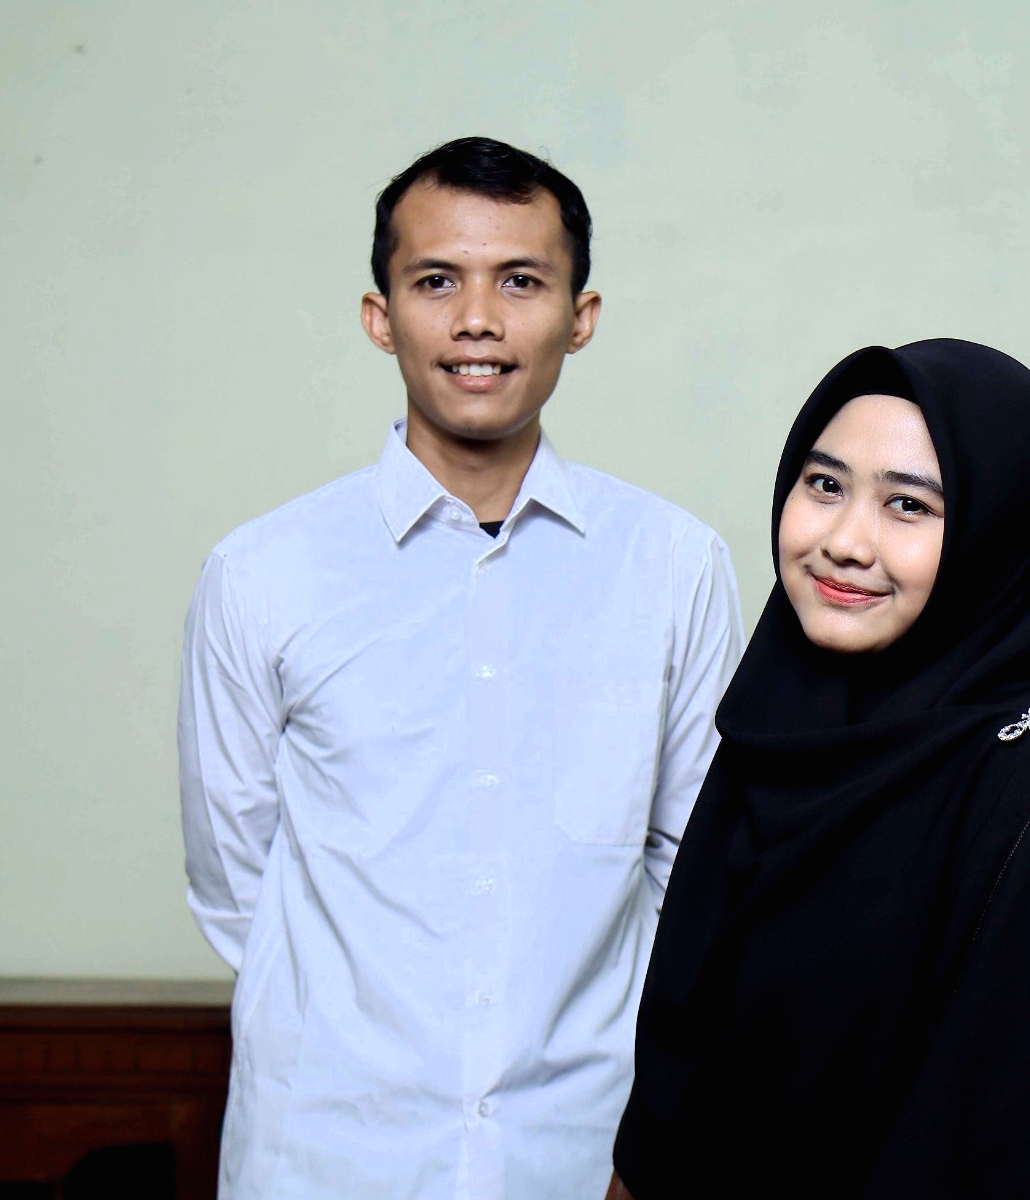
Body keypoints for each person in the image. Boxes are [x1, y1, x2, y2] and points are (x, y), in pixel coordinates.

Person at [178, 136, 743, 1200]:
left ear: (580, 316)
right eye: (436, 280)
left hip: (584, 1149)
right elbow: (235, 877)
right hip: (327, 1155)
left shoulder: (673, 565)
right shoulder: (262, 572)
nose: (477, 318)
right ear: (379, 315)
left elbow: (693, 865)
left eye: (520, 281)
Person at [609, 339, 1030, 1199]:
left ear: (999, 534)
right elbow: (683, 1090)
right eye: (823, 485)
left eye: (908, 505)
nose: (844, 541)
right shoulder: (772, 737)